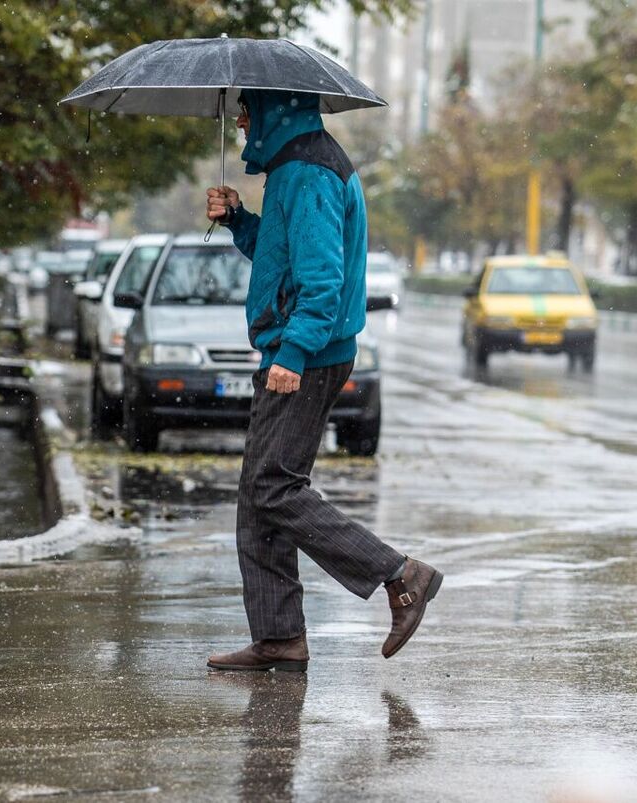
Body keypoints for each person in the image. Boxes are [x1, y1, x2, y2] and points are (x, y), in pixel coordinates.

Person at [204, 89, 443, 671]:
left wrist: (293, 352)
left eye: (247, 109)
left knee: (273, 488)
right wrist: (238, 219)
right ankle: (280, 636)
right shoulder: (294, 167)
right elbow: (280, 258)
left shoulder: (309, 170)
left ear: (274, 111)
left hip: (305, 357)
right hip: (297, 350)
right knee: (261, 499)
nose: (239, 119)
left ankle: (399, 574)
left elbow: (323, 281)